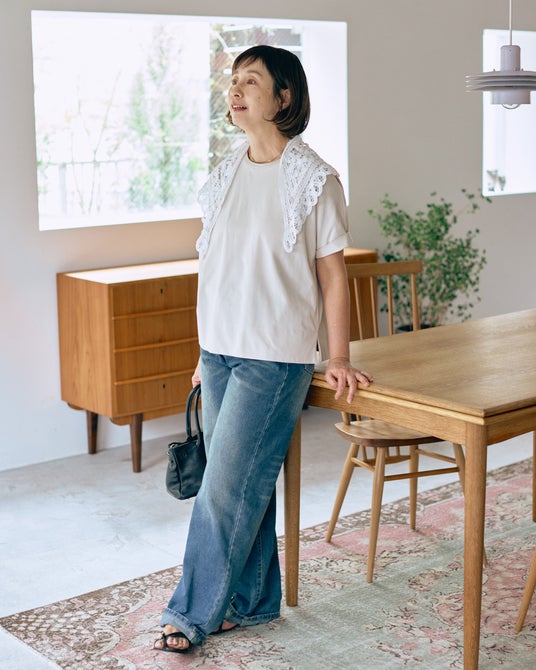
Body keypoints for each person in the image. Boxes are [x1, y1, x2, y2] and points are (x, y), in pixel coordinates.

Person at [154, 44, 372, 655]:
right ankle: (251, 603)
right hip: (220, 352)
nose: (236, 90)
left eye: (251, 80)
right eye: (233, 80)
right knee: (247, 481)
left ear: (284, 97)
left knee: (223, 490)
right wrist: (203, 351)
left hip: (273, 358)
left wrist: (337, 356)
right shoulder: (224, 173)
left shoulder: (314, 179)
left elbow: (333, 276)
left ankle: (190, 612)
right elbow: (217, 268)